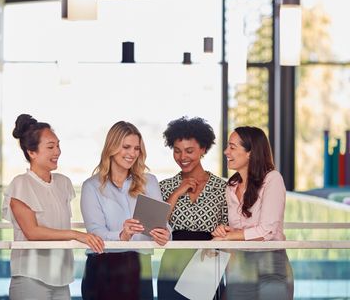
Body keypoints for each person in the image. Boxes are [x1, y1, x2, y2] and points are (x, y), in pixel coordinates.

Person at [2, 114, 104, 300]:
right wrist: (76, 234)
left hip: (61, 278)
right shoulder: (20, 185)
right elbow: (33, 232)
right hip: (30, 277)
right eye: (50, 147)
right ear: (31, 152)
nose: (57, 152)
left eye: (58, 145)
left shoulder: (63, 183)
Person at [80, 121, 170, 300]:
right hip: (102, 269)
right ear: (111, 148)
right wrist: (122, 235)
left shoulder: (149, 182)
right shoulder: (91, 186)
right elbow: (95, 232)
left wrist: (166, 234)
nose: (132, 153)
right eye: (126, 147)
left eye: (136, 148)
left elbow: (162, 224)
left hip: (139, 266)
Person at [212, 126, 294, 300]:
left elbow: (267, 231)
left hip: (271, 263)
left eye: (232, 147)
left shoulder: (272, 179)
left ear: (250, 152)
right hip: (239, 264)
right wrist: (225, 231)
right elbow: (238, 230)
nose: (226, 152)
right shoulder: (231, 186)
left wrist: (229, 236)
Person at [157, 116, 228, 300]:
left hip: (208, 262)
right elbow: (157, 224)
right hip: (173, 264)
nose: (182, 157)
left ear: (203, 149)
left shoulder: (222, 187)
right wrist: (177, 193)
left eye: (189, 151)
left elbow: (228, 228)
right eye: (177, 151)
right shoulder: (165, 186)